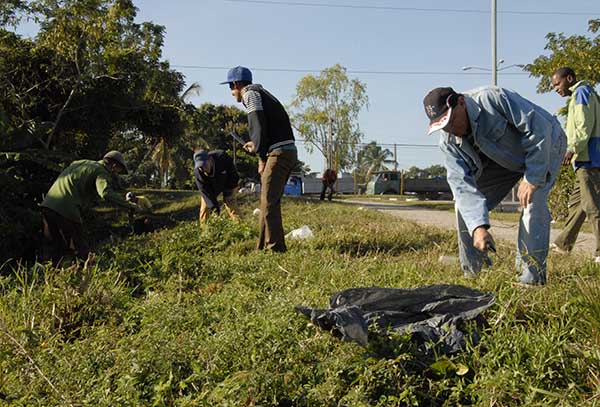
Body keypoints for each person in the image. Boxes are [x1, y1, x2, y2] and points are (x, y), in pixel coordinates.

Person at [423, 86, 566, 285]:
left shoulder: (492, 99)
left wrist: (532, 178)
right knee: (463, 208)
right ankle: (476, 276)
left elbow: (539, 129)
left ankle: (530, 281)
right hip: (503, 162)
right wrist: (478, 227)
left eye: (452, 121)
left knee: (531, 203)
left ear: (461, 102)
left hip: (546, 143)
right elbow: (462, 187)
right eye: (444, 126)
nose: (451, 129)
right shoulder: (448, 141)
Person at [221, 66, 298, 252]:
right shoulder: (260, 93)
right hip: (284, 150)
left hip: (278, 153)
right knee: (268, 201)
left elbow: (258, 125)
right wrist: (256, 145)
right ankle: (263, 246)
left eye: (231, 88)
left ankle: (275, 248)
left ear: (236, 84)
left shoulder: (250, 94)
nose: (232, 93)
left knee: (269, 201)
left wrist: (260, 156)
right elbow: (262, 130)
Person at [40, 150, 141, 264]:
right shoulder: (101, 172)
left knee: (52, 245)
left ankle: (47, 274)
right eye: (118, 170)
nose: (117, 174)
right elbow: (105, 193)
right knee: (79, 247)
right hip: (67, 208)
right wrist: (129, 205)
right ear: (114, 166)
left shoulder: (82, 163)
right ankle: (87, 273)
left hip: (48, 203)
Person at [550, 67, 600, 261]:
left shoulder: (581, 92)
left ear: (569, 78)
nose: (556, 89)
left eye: (557, 84)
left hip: (588, 156)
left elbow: (583, 124)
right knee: (577, 205)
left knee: (592, 205)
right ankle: (563, 244)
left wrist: (572, 148)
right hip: (583, 157)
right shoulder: (580, 94)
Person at [193, 149, 240, 223]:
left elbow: (234, 175)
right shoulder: (198, 173)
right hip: (211, 188)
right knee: (205, 209)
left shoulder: (222, 157)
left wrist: (229, 192)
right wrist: (215, 210)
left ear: (210, 159)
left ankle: (242, 228)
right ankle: (206, 232)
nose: (203, 169)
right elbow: (205, 192)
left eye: (204, 165)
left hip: (228, 182)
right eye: (200, 167)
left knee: (231, 203)